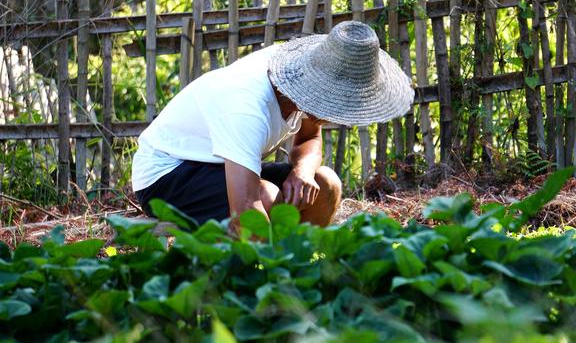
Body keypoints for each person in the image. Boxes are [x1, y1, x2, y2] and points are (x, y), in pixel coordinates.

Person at [131, 20, 413, 228]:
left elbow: (309, 140)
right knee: (269, 197)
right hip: (167, 174)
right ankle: (271, 279)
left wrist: (302, 172)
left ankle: (298, 261)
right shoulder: (247, 106)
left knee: (326, 185)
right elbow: (246, 210)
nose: (341, 115)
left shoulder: (301, 84)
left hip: (221, 163)